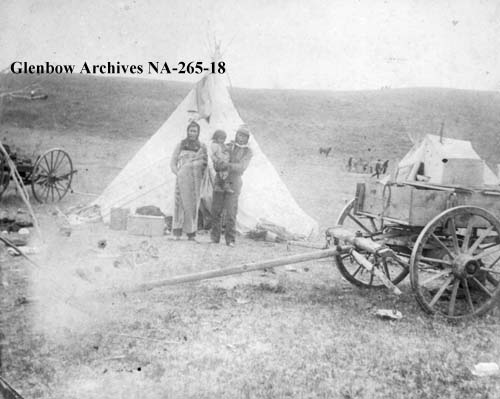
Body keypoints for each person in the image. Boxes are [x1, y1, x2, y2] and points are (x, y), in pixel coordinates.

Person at [210, 126, 253, 246]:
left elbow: (242, 167)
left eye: (244, 137)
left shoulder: (248, 152)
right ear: (236, 135)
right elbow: (216, 164)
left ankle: (230, 239)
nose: (241, 138)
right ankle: (215, 237)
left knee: (231, 211)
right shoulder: (227, 145)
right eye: (239, 135)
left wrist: (227, 165)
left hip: (234, 182)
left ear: (247, 139)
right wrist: (221, 165)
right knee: (216, 209)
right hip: (220, 179)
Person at [170, 120, 208, 241]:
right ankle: (177, 231)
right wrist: (178, 173)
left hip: (194, 180)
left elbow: (205, 163)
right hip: (182, 179)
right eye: (191, 131)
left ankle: (191, 232)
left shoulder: (202, 146)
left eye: (195, 131)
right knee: (179, 203)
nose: (192, 133)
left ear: (198, 133)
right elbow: (173, 162)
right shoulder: (181, 145)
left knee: (192, 204)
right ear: (187, 131)